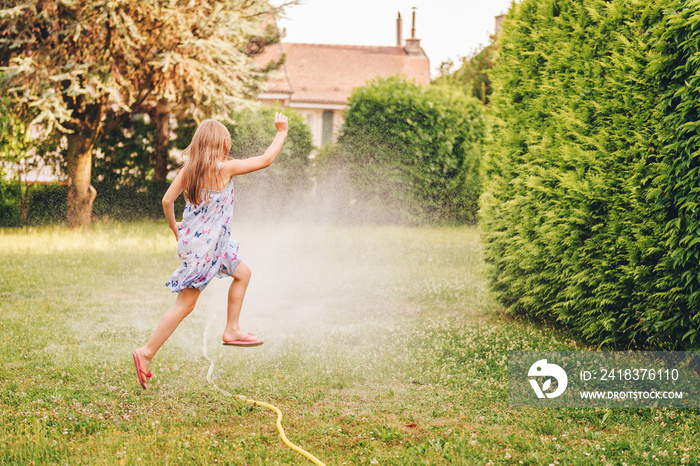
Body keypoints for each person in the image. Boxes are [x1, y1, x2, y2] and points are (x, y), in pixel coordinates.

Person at [132, 113, 289, 389]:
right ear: (225, 144)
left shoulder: (189, 169)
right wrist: (281, 132)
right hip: (206, 249)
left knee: (243, 273)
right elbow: (265, 160)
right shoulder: (222, 169)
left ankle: (231, 329)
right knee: (185, 304)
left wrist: (175, 229)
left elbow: (167, 200)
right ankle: (145, 353)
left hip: (208, 244)